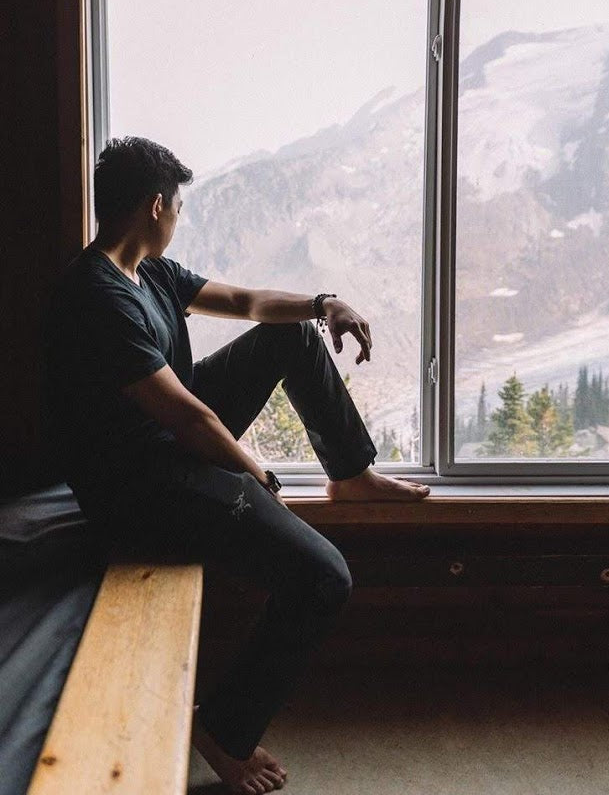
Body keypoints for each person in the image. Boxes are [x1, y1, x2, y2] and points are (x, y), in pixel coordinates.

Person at [43, 135, 431, 794]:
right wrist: (258, 476)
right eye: (178, 206)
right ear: (156, 205)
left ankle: (350, 475)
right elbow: (188, 418)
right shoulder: (96, 297)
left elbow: (250, 304)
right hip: (141, 487)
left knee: (291, 332)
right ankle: (224, 731)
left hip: (165, 443)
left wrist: (323, 304)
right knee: (324, 577)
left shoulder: (150, 273)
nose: (178, 216)